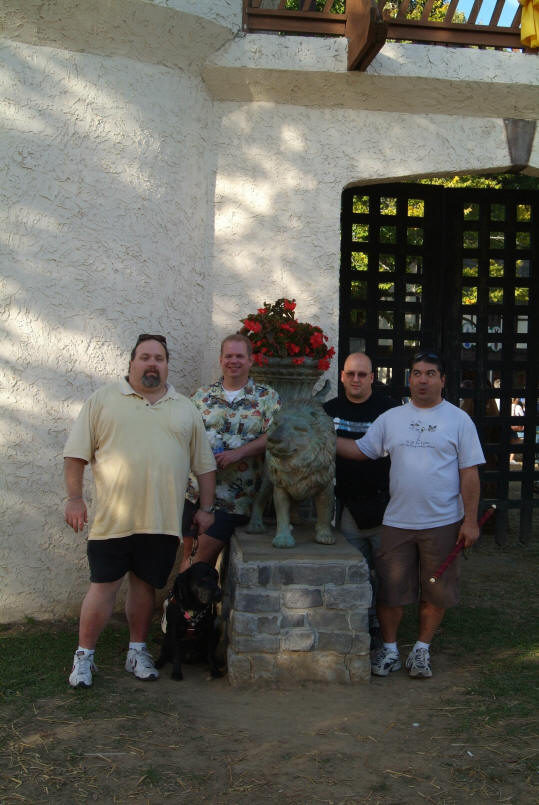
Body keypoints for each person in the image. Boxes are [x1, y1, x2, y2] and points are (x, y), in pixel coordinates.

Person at [64, 334, 217, 688]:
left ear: (166, 364)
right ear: (132, 362)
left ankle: (138, 650)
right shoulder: (102, 400)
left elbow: (205, 466)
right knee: (102, 587)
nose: (152, 364)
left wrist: (207, 508)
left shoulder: (185, 408)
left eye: (159, 358)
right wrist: (74, 498)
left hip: (162, 521)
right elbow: (75, 456)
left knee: (145, 588)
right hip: (112, 520)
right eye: (145, 357)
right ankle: (84, 657)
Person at [336, 350, 485, 679]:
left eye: (430, 373)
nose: (422, 379)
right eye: (417, 373)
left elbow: (469, 474)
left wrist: (470, 520)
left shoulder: (459, 420)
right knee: (391, 590)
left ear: (442, 380)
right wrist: (322, 438)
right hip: (397, 521)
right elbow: (361, 450)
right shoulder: (392, 418)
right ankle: (389, 650)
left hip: (443, 521)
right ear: (409, 379)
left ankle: (421, 650)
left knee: (436, 589)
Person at [181, 334, 281, 571]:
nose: (233, 361)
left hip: (235, 498)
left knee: (200, 555)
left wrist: (240, 453)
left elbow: (276, 435)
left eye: (239, 356)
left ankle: (178, 606)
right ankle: (184, 606)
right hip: (194, 492)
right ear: (220, 360)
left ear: (250, 360)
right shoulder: (200, 396)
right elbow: (183, 434)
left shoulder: (267, 397)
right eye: (228, 356)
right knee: (189, 552)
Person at [323, 352, 399, 641]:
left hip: (385, 504)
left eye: (362, 374)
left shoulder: (390, 411)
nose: (356, 379)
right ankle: (363, 623)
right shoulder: (328, 410)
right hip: (347, 506)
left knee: (386, 574)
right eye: (350, 374)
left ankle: (383, 628)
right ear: (342, 376)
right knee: (356, 570)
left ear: (372, 377)